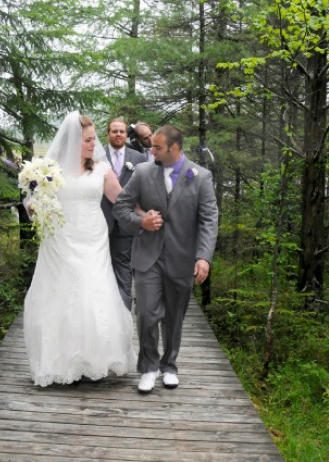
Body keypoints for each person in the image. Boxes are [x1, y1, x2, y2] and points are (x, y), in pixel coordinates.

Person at [24, 112, 136, 387]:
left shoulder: (101, 168)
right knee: (61, 294)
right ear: (74, 140)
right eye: (88, 139)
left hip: (93, 239)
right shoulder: (49, 170)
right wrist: (33, 207)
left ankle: (93, 358)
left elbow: (121, 201)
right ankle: (60, 361)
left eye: (93, 138)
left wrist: (145, 217)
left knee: (92, 291)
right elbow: (33, 203)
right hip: (60, 240)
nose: (93, 143)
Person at [113, 125, 219, 393]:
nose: (151, 150)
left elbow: (209, 219)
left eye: (157, 147)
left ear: (174, 148)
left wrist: (203, 257)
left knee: (174, 317)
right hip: (148, 257)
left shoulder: (201, 177)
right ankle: (148, 367)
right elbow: (121, 206)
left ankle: (169, 366)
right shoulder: (143, 172)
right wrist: (141, 222)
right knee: (147, 313)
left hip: (182, 259)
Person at [101, 118, 148, 310]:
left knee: (124, 267)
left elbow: (143, 189)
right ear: (108, 133)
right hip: (101, 221)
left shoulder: (138, 158)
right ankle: (102, 308)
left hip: (127, 223)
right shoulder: (98, 156)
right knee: (100, 266)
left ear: (127, 135)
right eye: (114, 131)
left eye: (121, 131)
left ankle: (123, 310)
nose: (118, 134)